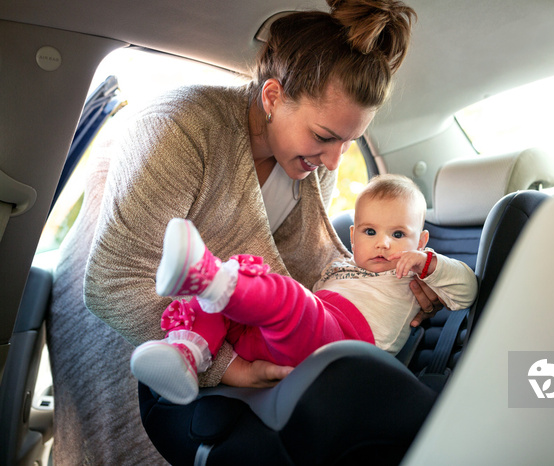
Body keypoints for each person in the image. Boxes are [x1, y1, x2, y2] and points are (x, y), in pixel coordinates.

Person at [47, 1, 429, 463]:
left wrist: (389, 283)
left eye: (348, 143)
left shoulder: (313, 167)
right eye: (325, 136)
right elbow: (114, 282)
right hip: (133, 334)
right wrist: (229, 368)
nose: (334, 160)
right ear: (271, 97)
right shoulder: (181, 127)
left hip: (231, 333)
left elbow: (306, 270)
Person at [131, 175, 478, 404]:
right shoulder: (342, 265)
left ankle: (206, 276)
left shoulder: (411, 273)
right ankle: (185, 355)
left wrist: (428, 263)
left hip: (341, 349)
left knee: (291, 298)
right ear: (354, 235)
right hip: (277, 340)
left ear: (422, 240)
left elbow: (466, 290)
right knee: (225, 295)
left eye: (399, 235)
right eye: (370, 232)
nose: (383, 244)